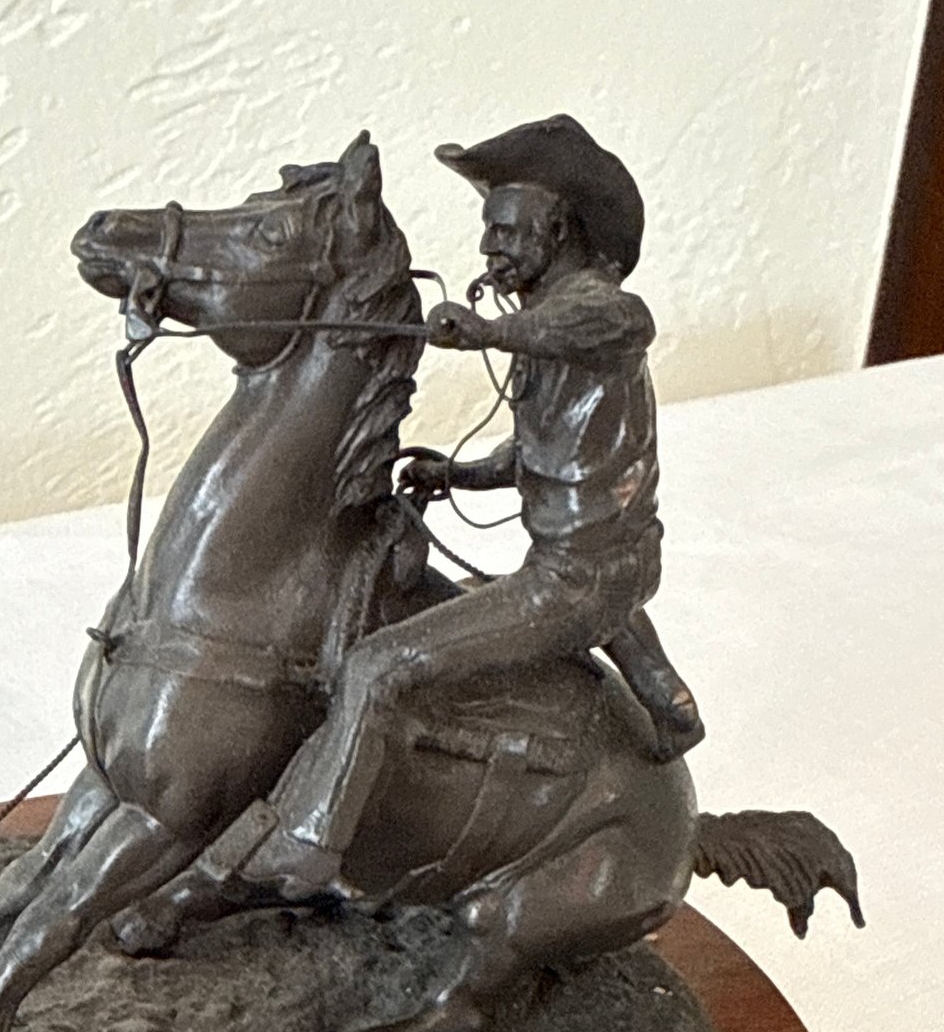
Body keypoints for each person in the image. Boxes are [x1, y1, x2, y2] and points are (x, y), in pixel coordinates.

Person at [211, 114, 704, 900]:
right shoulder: (555, 339)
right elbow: (536, 453)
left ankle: (311, 844)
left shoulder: (600, 314)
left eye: (504, 231)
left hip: (571, 576)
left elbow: (601, 322)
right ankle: (665, 693)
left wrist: (487, 330)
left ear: (556, 229)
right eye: (487, 230)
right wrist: (455, 475)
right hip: (586, 562)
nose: (488, 248)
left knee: (378, 666)